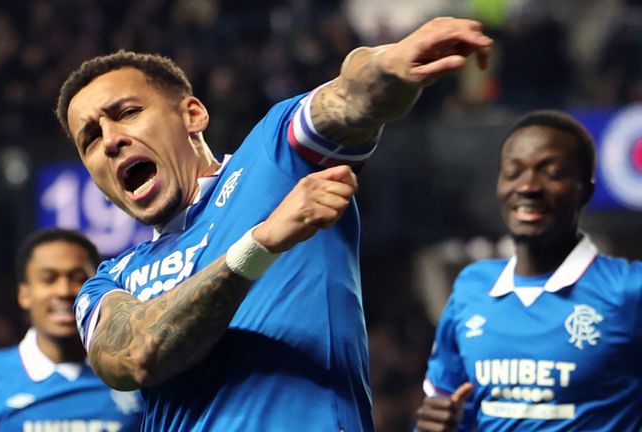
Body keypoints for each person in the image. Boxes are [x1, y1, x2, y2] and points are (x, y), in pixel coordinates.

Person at [55, 17, 492, 431]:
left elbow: (350, 96)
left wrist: (389, 65)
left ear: (192, 115)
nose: (110, 141)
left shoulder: (276, 156)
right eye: (90, 138)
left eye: (127, 112)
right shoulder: (110, 281)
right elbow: (135, 355)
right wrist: (259, 245)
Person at [416, 110, 642, 431]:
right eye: (513, 172)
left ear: (585, 191)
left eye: (552, 173)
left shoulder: (629, 290)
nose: (528, 186)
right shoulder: (471, 287)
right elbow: (445, 409)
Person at [0, 229, 144, 431]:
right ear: (24, 294)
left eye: (78, 278)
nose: (64, 291)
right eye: (48, 279)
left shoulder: (135, 370)